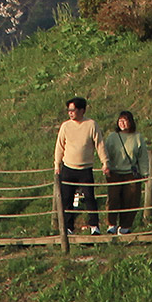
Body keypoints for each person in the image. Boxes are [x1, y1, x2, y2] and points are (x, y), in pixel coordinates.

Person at [52, 96, 109, 234]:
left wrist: (105, 162)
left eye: (73, 110)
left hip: (85, 168)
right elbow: (59, 146)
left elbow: (99, 145)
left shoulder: (91, 125)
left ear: (82, 110)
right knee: (67, 199)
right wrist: (57, 165)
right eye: (69, 110)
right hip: (68, 167)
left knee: (89, 198)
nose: (70, 112)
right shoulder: (65, 126)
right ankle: (68, 227)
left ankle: (94, 226)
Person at [100, 110, 151, 234]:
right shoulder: (113, 137)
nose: (122, 123)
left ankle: (125, 226)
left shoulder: (137, 137)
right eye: (120, 120)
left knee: (131, 200)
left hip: (131, 174)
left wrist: (145, 173)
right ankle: (111, 224)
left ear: (131, 122)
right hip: (114, 173)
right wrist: (106, 166)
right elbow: (106, 153)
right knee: (113, 199)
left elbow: (142, 157)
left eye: (125, 120)